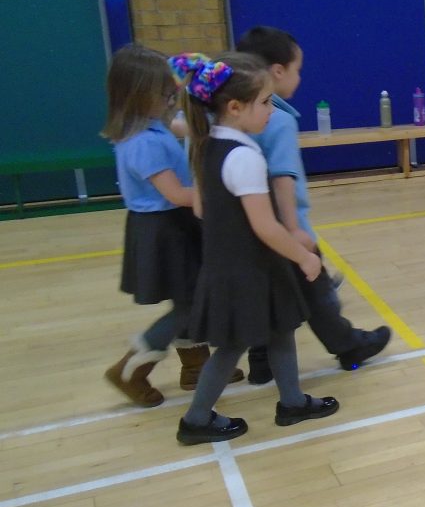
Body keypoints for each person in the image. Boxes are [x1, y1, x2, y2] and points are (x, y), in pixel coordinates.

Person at [173, 52, 339, 444]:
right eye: (265, 102)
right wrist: (303, 256)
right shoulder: (243, 156)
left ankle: (292, 402)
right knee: (232, 346)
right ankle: (195, 420)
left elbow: (201, 208)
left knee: (280, 329)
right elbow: (265, 226)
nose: (271, 110)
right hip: (248, 269)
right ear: (235, 107)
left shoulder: (206, 143)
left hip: (236, 265)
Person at [234, 26, 390, 384]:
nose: (300, 77)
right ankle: (349, 346)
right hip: (283, 225)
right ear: (278, 71)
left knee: (270, 294)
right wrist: (294, 229)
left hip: (249, 225)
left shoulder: (231, 114)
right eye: (297, 69)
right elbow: (282, 177)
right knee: (317, 289)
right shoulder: (279, 118)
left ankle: (261, 360)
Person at [102, 44, 242, 406]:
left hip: (171, 224)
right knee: (191, 302)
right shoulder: (143, 143)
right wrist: (222, 191)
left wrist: (196, 80)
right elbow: (177, 194)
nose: (170, 99)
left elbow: (186, 122)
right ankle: (130, 368)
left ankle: (196, 367)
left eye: (170, 91)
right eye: (163, 94)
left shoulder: (149, 125)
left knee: (191, 296)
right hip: (163, 228)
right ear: (136, 95)